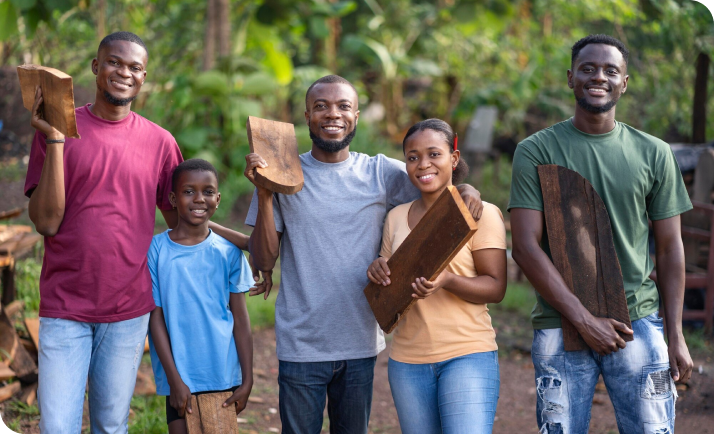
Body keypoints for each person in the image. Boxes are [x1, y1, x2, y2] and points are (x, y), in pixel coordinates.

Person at [244, 75, 484, 434]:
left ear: (355, 115)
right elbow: (263, 261)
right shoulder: (282, 174)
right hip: (301, 343)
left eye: (343, 106)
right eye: (321, 106)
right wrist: (265, 194)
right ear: (307, 116)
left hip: (359, 341)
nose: (332, 114)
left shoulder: (381, 172)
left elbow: (434, 181)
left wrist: (467, 187)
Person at [508, 34, 693, 434]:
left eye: (611, 70)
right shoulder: (536, 150)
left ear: (624, 82)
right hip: (560, 324)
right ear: (570, 77)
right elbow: (524, 247)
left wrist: (675, 334)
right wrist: (584, 319)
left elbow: (670, 247)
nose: (599, 77)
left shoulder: (654, 152)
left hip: (638, 322)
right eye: (588, 68)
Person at [24, 31, 187, 433]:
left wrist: (243, 243)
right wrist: (57, 140)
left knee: (111, 427)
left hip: (127, 310)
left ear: (144, 76)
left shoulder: (160, 143)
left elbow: (183, 225)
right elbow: (45, 222)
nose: (123, 73)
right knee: (57, 427)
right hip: (65, 307)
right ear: (97, 67)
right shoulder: (55, 129)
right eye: (114, 62)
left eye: (134, 67)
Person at [367, 119, 506, 434]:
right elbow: (391, 282)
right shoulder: (396, 217)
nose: (423, 164)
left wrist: (449, 280)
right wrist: (377, 269)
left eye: (434, 154)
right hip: (406, 360)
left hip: (467, 353)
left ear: (453, 159)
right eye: (413, 157)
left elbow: (496, 287)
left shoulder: (480, 213)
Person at [148, 159, 257, 434]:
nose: (199, 199)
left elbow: (241, 321)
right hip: (179, 376)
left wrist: (247, 380)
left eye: (208, 192)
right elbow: (155, 319)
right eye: (188, 192)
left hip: (222, 374)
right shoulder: (157, 250)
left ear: (217, 199)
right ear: (173, 198)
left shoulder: (229, 253)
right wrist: (174, 380)